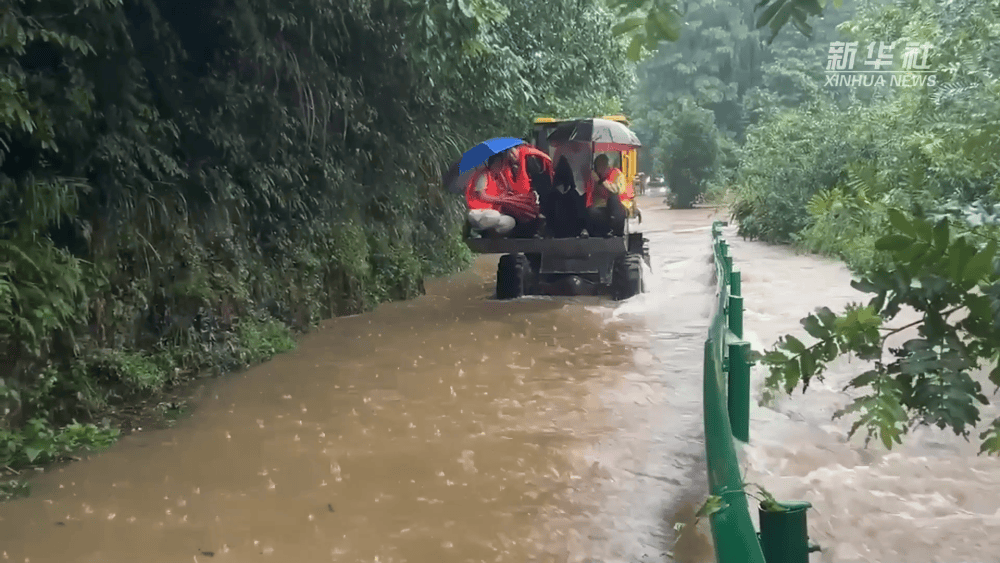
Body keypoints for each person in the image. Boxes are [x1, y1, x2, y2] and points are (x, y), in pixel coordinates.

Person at [465, 147, 549, 238]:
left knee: (510, 222)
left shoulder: (498, 178)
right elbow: (482, 196)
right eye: (500, 163)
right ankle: (476, 230)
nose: (502, 166)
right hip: (478, 212)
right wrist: (500, 199)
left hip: (492, 212)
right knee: (494, 216)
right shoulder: (484, 175)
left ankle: (490, 233)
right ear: (494, 163)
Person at [585, 154, 627, 237]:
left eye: (603, 165)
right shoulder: (594, 176)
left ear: (607, 165)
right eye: (598, 166)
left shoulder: (616, 173)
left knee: (614, 199)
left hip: (615, 208)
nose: (601, 168)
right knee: (591, 212)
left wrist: (602, 181)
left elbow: (616, 190)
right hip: (599, 207)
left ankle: (615, 232)